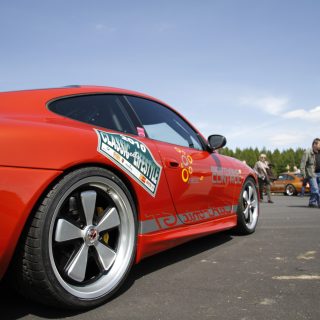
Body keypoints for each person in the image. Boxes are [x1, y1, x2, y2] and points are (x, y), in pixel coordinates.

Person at [300, 138, 320, 208]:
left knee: (317, 190)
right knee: (315, 189)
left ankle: (312, 202)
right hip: (312, 174)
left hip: (319, 173)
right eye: (319, 144)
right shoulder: (307, 152)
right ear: (315, 144)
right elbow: (302, 164)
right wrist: (304, 175)